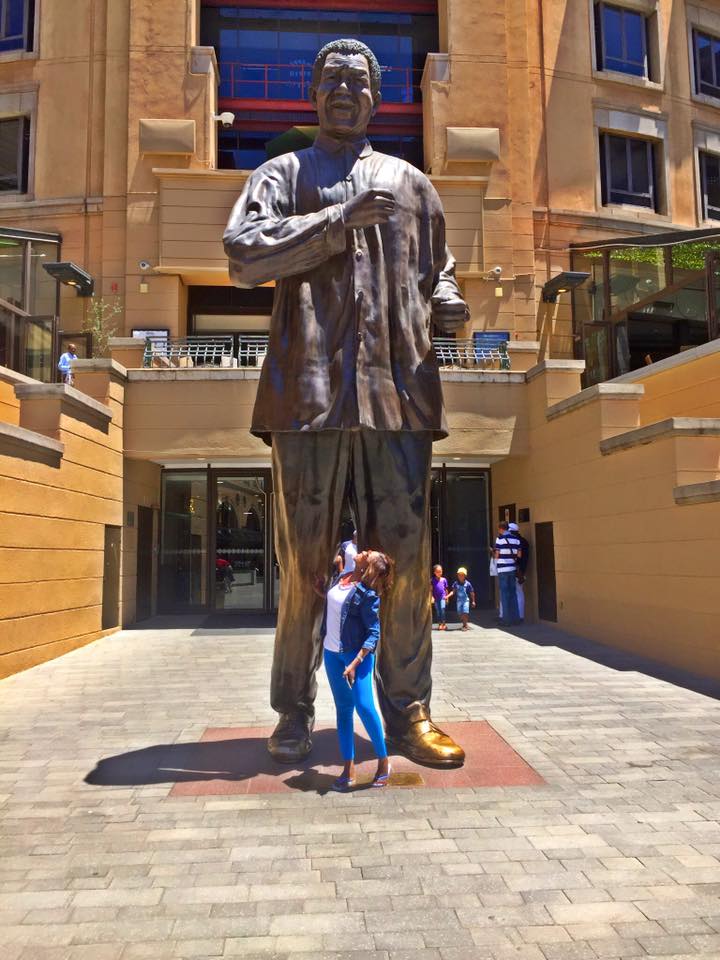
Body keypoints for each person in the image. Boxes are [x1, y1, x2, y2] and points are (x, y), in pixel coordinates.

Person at [224, 38, 468, 768]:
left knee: (406, 562)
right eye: (331, 79)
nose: (343, 91)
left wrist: (447, 300)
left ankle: (410, 711)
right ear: (312, 93)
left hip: (399, 397)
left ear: (376, 98)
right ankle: (293, 712)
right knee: (304, 565)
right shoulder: (281, 174)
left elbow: (439, 268)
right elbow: (244, 253)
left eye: (357, 82)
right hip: (308, 399)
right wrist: (337, 223)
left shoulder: (413, 184)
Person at [320, 550, 394, 791]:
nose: (363, 551)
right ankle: (348, 767)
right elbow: (336, 606)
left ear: (370, 566)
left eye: (368, 554)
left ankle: (383, 762)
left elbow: (374, 633)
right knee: (343, 709)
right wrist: (320, 591)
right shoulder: (343, 576)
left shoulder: (368, 594)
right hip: (331, 653)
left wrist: (355, 662)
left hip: (356, 656)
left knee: (364, 706)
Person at [494, 521, 522, 626]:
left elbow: (497, 554)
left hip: (503, 569)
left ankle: (506, 620)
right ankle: (516, 618)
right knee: (513, 594)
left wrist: (494, 559)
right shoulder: (516, 539)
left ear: (501, 528)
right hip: (512, 568)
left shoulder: (499, 539)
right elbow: (519, 555)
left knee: (504, 594)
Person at [508, 522, 529, 623]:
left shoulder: (515, 542)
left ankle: (513, 616)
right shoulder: (524, 541)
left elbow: (520, 557)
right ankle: (520, 616)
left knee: (513, 592)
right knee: (519, 592)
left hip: (514, 570)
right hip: (519, 570)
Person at [430, 564, 449, 630]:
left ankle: (444, 624)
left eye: (440, 571)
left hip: (443, 597)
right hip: (436, 598)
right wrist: (432, 597)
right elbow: (431, 590)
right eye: (437, 572)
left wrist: (447, 597)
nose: (439, 573)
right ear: (434, 572)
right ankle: (440, 624)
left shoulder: (444, 580)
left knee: (442, 609)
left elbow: (446, 589)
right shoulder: (432, 580)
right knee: (438, 611)